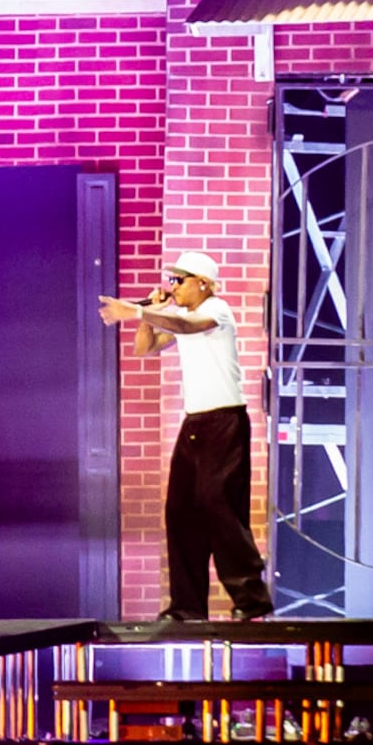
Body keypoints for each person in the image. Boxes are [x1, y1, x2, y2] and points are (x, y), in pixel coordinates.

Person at [103, 248, 272, 623]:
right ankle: (186, 607)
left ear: (202, 283)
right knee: (180, 511)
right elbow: (144, 348)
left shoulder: (218, 310)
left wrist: (137, 310)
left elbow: (188, 328)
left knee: (220, 505)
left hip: (225, 422)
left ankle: (252, 599)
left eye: (179, 281)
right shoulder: (180, 313)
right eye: (171, 280)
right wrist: (151, 312)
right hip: (195, 424)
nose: (173, 287)